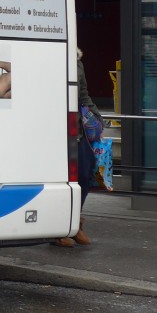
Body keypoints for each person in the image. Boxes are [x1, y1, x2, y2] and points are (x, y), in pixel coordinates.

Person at [56, 47, 101, 247]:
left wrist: (97, 120)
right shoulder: (48, 57)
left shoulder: (76, 60)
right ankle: (59, 228)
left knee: (84, 174)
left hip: (78, 129)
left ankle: (75, 222)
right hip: (55, 130)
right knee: (61, 178)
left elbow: (83, 95)